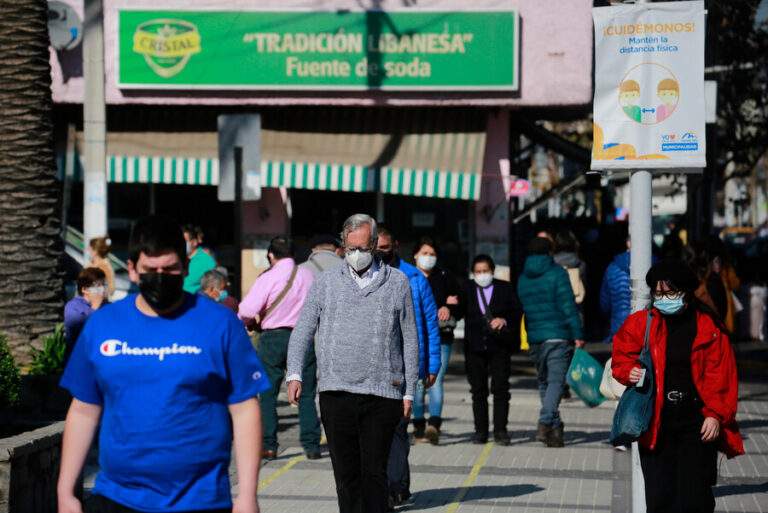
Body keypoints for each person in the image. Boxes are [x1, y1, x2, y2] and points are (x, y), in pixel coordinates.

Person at [57, 215, 270, 513]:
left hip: (201, 501)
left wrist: (247, 495)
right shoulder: (102, 324)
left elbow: (245, 408)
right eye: (150, 270)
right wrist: (65, 491)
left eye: (169, 269)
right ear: (132, 269)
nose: (160, 276)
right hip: (116, 498)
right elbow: (83, 409)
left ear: (185, 267)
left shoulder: (220, 324)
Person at [285, 213, 419, 513]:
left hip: (382, 394)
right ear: (342, 245)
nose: (357, 254)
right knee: (346, 477)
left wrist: (409, 391)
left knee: (375, 474)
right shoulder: (325, 282)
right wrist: (294, 373)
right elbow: (303, 329)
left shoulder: (397, 282)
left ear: (375, 244)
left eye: (363, 248)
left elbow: (410, 338)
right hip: (336, 393)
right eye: (351, 248)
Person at [612, 259, 744, 513]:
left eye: (671, 293)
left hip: (697, 423)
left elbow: (721, 376)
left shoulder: (709, 327)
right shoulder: (642, 323)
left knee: (695, 499)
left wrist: (715, 415)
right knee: (660, 498)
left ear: (686, 291)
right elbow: (621, 357)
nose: (664, 299)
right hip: (655, 422)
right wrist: (629, 371)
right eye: (658, 294)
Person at [238, 236, 321, 461]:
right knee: (306, 392)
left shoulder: (268, 277)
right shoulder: (308, 276)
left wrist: (250, 323)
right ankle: (312, 445)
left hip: (273, 338)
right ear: (294, 254)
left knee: (267, 394)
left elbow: (246, 311)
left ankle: (269, 446)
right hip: (303, 337)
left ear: (270, 255)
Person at [376, 225, 440, 507]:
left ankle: (393, 489)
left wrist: (432, 364)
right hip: (377, 365)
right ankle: (399, 484)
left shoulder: (415, 277)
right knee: (384, 430)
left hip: (407, 365)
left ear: (395, 245)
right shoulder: (367, 276)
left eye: (385, 247)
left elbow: (430, 323)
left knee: (398, 428)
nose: (380, 252)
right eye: (376, 248)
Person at [517, 237, 584, 448]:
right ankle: (545, 421)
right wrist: (577, 334)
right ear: (549, 253)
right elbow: (568, 307)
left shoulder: (523, 278)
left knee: (544, 382)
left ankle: (555, 430)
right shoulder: (558, 273)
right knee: (556, 382)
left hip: (536, 337)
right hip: (558, 335)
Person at [457, 254, 522, 445]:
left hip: (499, 346)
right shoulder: (467, 288)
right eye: (478, 271)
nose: (482, 275)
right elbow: (460, 311)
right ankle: (481, 431)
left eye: (485, 271)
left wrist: (504, 320)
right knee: (478, 390)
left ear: (492, 271)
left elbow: (516, 310)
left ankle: (500, 431)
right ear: (473, 273)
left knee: (501, 389)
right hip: (474, 346)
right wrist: (451, 304)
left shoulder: (504, 288)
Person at [410, 236, 461, 445]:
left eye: (432, 254)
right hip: (414, 337)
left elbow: (460, 302)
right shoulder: (407, 276)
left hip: (441, 336)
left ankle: (434, 425)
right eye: (424, 253)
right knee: (417, 382)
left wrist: (449, 307)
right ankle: (418, 425)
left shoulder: (444, 276)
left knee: (435, 379)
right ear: (415, 255)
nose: (428, 257)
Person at [63, 267, 107, 366]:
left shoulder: (106, 305)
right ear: (84, 289)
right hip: (78, 360)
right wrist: (95, 308)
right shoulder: (73, 307)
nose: (102, 289)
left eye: (103, 284)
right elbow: (82, 329)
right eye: (97, 286)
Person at [600, 238, 632, 343]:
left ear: (628, 243)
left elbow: (605, 300)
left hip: (619, 321)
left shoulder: (612, 267)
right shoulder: (654, 263)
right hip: (647, 323)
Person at [182, 224, 216, 294]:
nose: (181, 244)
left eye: (184, 241)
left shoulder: (207, 260)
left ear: (194, 242)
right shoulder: (178, 258)